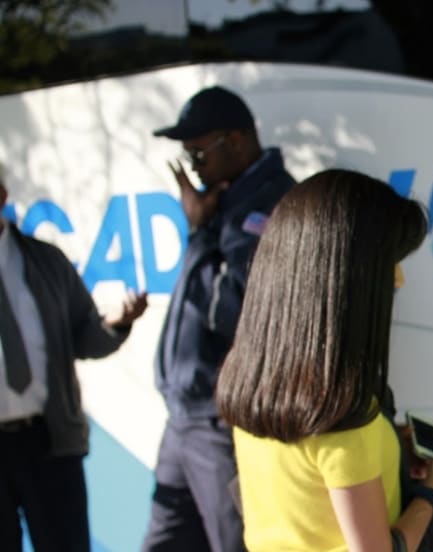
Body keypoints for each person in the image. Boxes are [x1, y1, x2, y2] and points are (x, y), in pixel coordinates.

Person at [215, 168, 433, 552]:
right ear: (348, 277)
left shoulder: (255, 384)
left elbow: (307, 488)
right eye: (390, 261)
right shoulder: (343, 418)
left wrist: (389, 452)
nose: (398, 279)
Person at [142, 86, 296, 552]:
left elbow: (231, 308)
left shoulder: (270, 201)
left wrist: (199, 232)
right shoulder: (225, 199)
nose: (193, 168)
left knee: (234, 543)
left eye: (197, 154)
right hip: (183, 416)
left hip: (220, 420)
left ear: (236, 140)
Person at [0, 174, 148, 552]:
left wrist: (117, 324)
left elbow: (84, 337)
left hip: (47, 441)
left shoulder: (45, 262)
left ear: (1, 196)